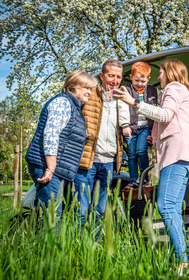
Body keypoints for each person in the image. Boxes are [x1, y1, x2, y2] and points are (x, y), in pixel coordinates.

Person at [114, 59, 189, 274]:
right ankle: (180, 260)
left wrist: (133, 102)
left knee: (165, 206)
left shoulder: (173, 87)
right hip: (186, 157)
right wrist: (155, 136)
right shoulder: (182, 90)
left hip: (176, 155)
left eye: (160, 72)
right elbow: (173, 121)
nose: (158, 76)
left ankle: (182, 263)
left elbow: (165, 115)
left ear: (169, 72)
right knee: (174, 209)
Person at [25, 71, 97, 215]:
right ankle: (46, 238)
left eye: (91, 89)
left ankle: (38, 236)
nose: (89, 92)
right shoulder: (62, 102)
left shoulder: (74, 107)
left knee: (53, 212)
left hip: (58, 169)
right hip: (46, 166)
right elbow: (51, 133)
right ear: (73, 87)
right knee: (53, 214)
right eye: (86, 88)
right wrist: (50, 168)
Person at [74, 59, 130, 225]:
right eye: (111, 75)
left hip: (109, 163)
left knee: (99, 210)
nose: (115, 80)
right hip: (88, 161)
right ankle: (80, 246)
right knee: (82, 209)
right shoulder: (89, 95)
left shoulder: (122, 98)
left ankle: (95, 246)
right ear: (102, 76)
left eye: (118, 77)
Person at [122, 62, 159, 189]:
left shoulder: (153, 91)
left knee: (141, 151)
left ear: (148, 79)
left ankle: (144, 177)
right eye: (136, 80)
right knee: (131, 154)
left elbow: (158, 111)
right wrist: (124, 125)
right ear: (131, 77)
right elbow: (122, 109)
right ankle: (133, 180)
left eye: (143, 81)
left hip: (145, 128)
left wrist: (154, 132)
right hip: (131, 127)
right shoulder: (127, 91)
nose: (139, 84)